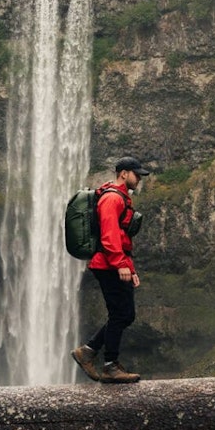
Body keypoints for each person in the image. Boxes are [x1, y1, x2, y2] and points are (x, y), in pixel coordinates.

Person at [72, 156, 149, 383]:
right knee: (120, 314)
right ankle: (110, 365)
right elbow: (109, 235)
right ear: (123, 173)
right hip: (108, 264)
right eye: (136, 174)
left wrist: (130, 268)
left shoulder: (120, 198)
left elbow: (122, 238)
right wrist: (120, 264)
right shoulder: (112, 198)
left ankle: (88, 352)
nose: (139, 179)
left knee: (126, 314)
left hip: (115, 263)